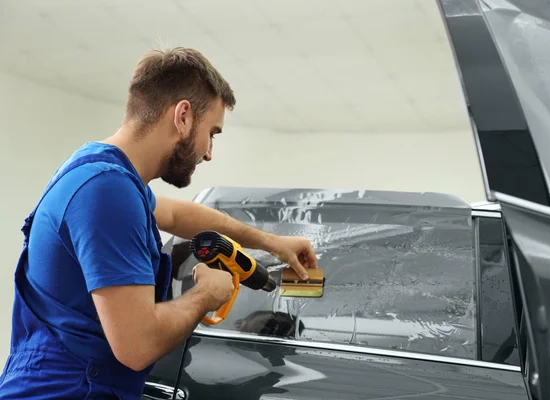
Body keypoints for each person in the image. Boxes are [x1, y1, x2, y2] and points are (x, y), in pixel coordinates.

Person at [0, 46, 318, 399]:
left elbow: (178, 215)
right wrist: (207, 294)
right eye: (212, 133)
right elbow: (137, 345)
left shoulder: (102, 173)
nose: (209, 152)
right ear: (182, 116)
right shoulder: (107, 191)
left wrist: (271, 242)